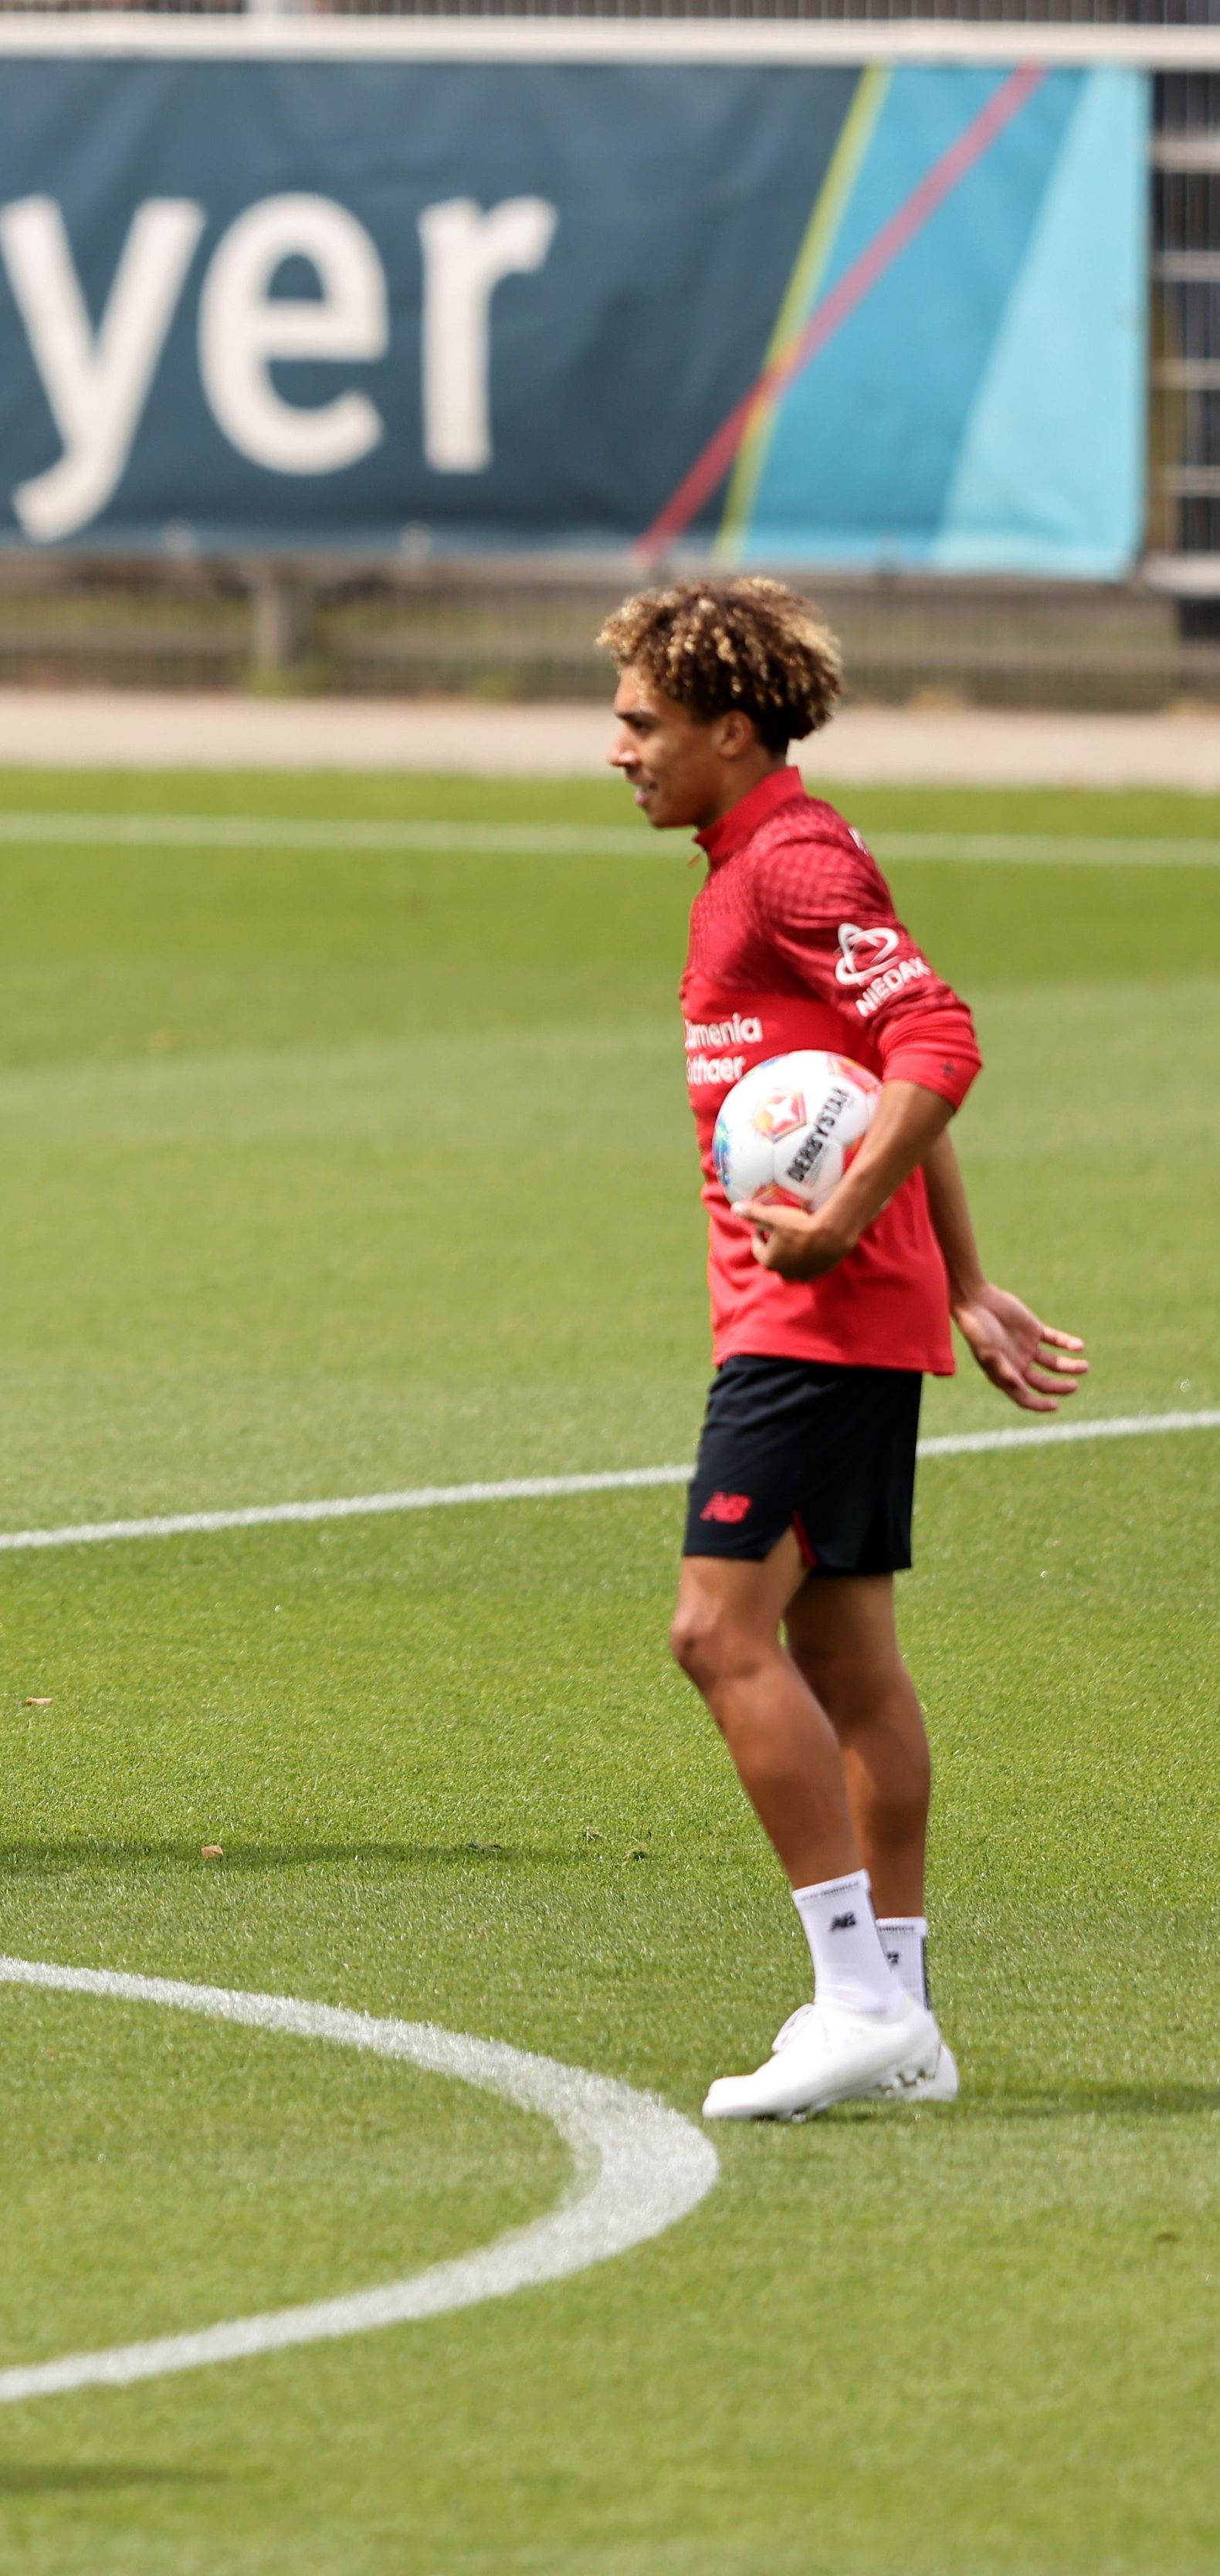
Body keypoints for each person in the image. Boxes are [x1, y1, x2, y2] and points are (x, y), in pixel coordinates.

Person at [600, 578, 1086, 2124]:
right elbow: (882, 1062)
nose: (617, 748)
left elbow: (937, 1038)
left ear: (732, 731)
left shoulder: (789, 866)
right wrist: (965, 1278)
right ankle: (912, 2017)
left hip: (808, 1319)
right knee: (848, 1660)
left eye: (641, 721)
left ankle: (854, 1994)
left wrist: (847, 1226)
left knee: (714, 1633)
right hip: (860, 1310)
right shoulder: (753, 858)